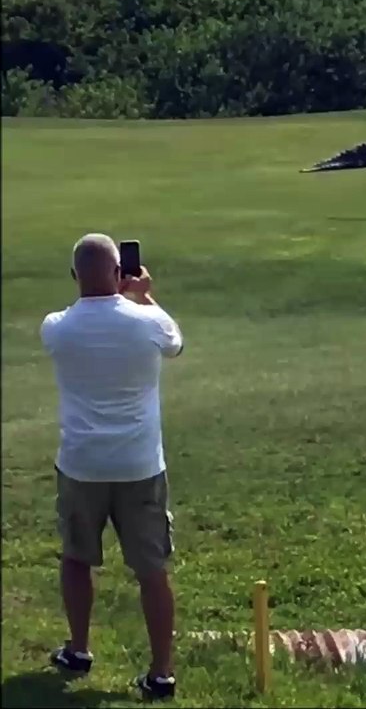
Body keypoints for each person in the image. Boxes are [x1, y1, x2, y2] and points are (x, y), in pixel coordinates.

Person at [40, 233, 184, 700]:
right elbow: (174, 343)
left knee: (77, 558)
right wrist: (142, 295)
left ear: (75, 276)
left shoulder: (57, 327)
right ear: (120, 272)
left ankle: (78, 649)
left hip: (82, 464)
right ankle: (160, 673)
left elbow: (80, 318)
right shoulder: (147, 322)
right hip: (140, 463)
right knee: (151, 570)